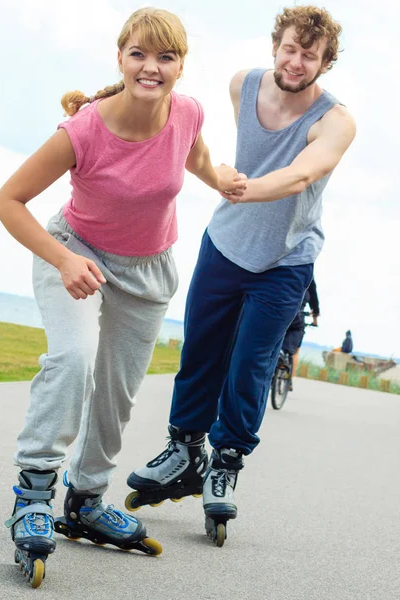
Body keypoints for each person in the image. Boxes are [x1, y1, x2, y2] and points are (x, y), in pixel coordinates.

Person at [0, 7, 246, 585]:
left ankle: (84, 502)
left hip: (148, 268)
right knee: (72, 359)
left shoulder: (188, 112)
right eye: (139, 54)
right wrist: (63, 258)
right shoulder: (83, 128)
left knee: (118, 392)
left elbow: (196, 158)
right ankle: (33, 495)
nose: (151, 67)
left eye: (166, 56)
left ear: (181, 66)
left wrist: (222, 180)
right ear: (120, 58)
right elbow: (8, 200)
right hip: (74, 251)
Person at [128, 5, 356, 546]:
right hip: (225, 244)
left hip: (285, 259)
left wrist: (238, 187)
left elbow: (304, 172)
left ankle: (226, 461)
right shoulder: (241, 86)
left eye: (310, 55)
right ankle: (184, 449)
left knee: (251, 364)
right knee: (200, 350)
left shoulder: (336, 119)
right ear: (276, 44)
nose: (297, 62)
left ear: (325, 63)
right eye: (291, 48)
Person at [281, 278, 320, 391]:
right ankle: (289, 381)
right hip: (298, 318)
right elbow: (314, 299)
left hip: (282, 314)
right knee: (294, 351)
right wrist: (315, 320)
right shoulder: (309, 277)